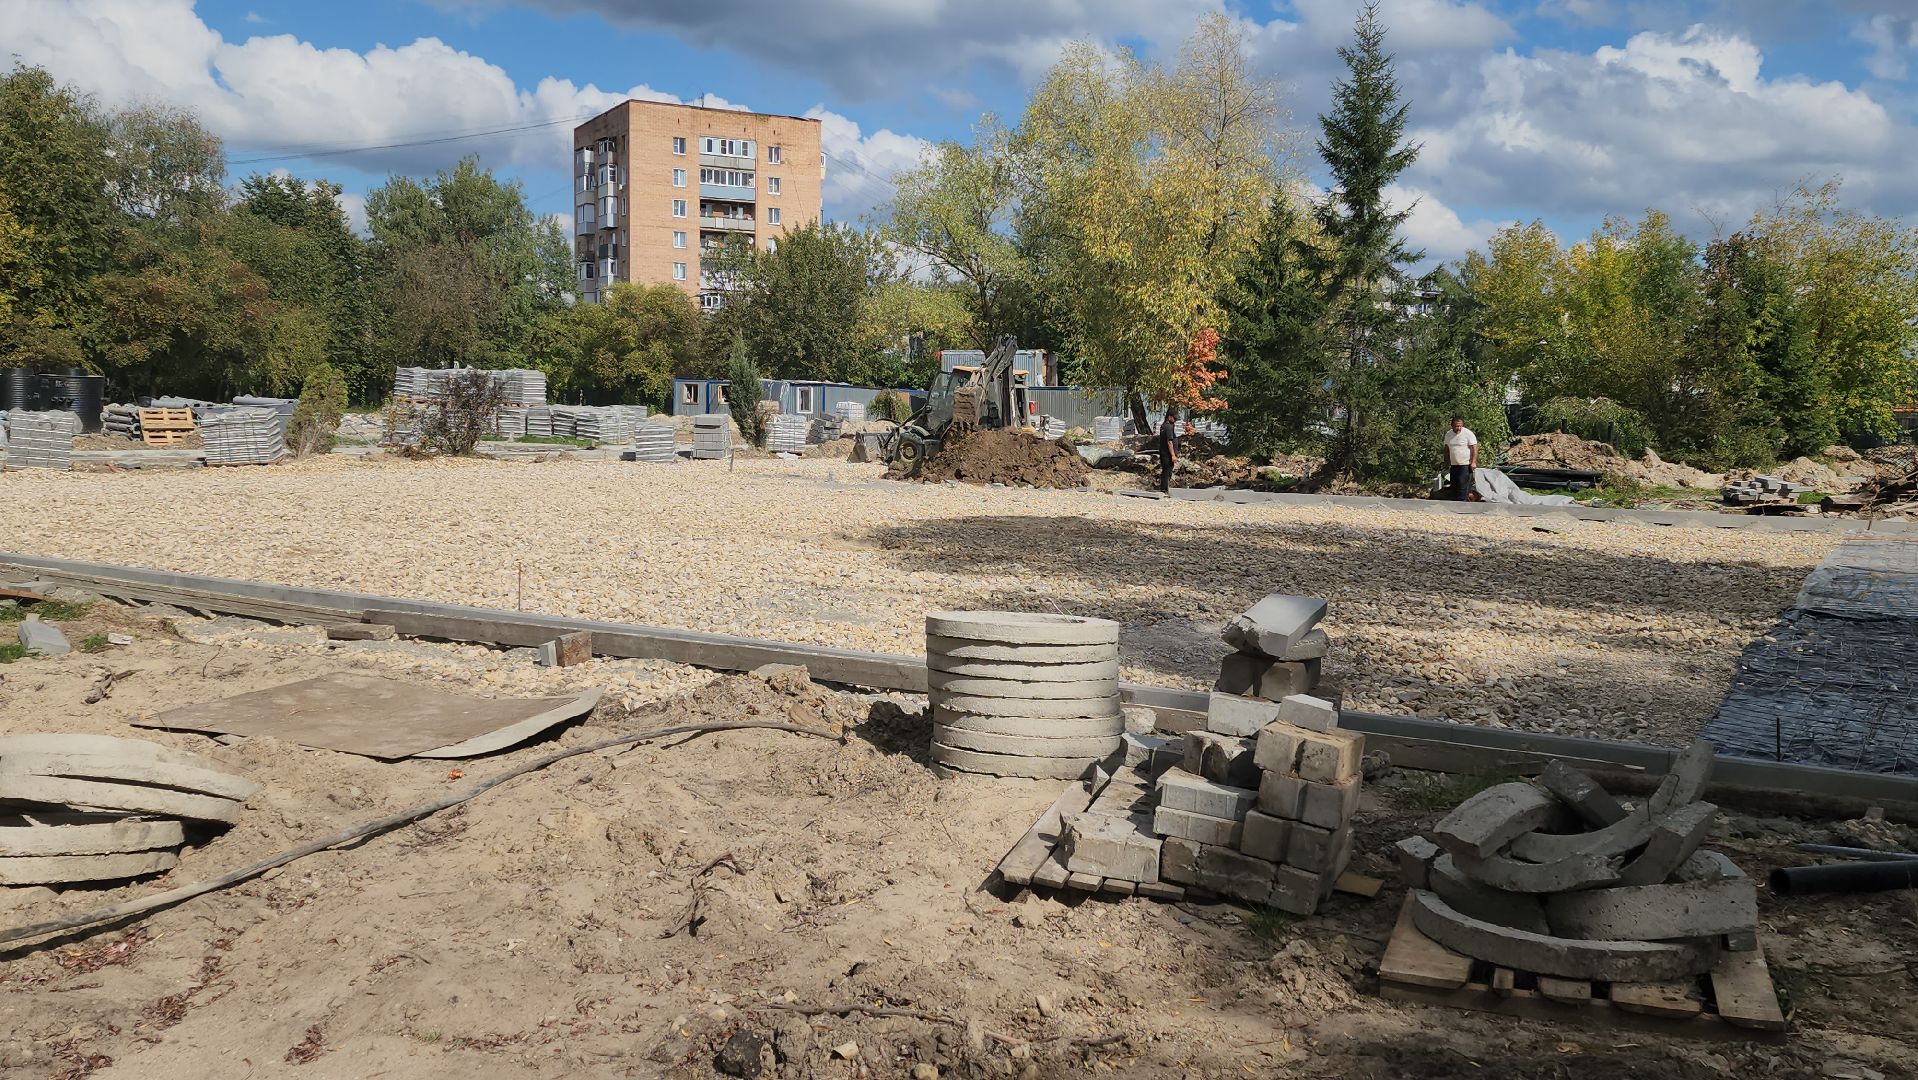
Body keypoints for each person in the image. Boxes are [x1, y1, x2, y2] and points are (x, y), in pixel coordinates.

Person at [1444, 417, 1478, 501]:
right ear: (1452, 426)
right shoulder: (1448, 434)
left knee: (1462, 486)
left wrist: (1473, 462)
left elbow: (1475, 448)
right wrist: (1446, 461)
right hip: (1454, 464)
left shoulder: (1468, 433)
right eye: (1456, 426)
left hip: (1465, 465)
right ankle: (1455, 504)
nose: (1458, 428)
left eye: (1460, 426)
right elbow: (1447, 448)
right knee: (1454, 485)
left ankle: (1462, 504)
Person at [1158, 411, 1180, 494]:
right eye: (1174, 418)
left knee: (1165, 471)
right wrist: (1173, 455)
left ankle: (1164, 488)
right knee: (1167, 471)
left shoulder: (1164, 426)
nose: (1175, 420)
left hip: (1164, 453)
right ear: (1169, 417)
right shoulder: (1168, 427)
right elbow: (1169, 442)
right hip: (1167, 454)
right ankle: (1164, 489)